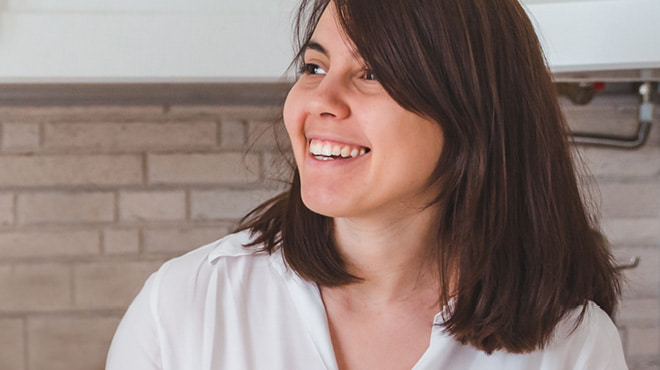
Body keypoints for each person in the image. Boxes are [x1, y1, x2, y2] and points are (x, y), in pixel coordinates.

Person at [106, 0, 628, 369]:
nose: (320, 100)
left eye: (373, 73)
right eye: (314, 65)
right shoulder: (186, 306)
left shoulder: (571, 347)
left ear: (470, 112)